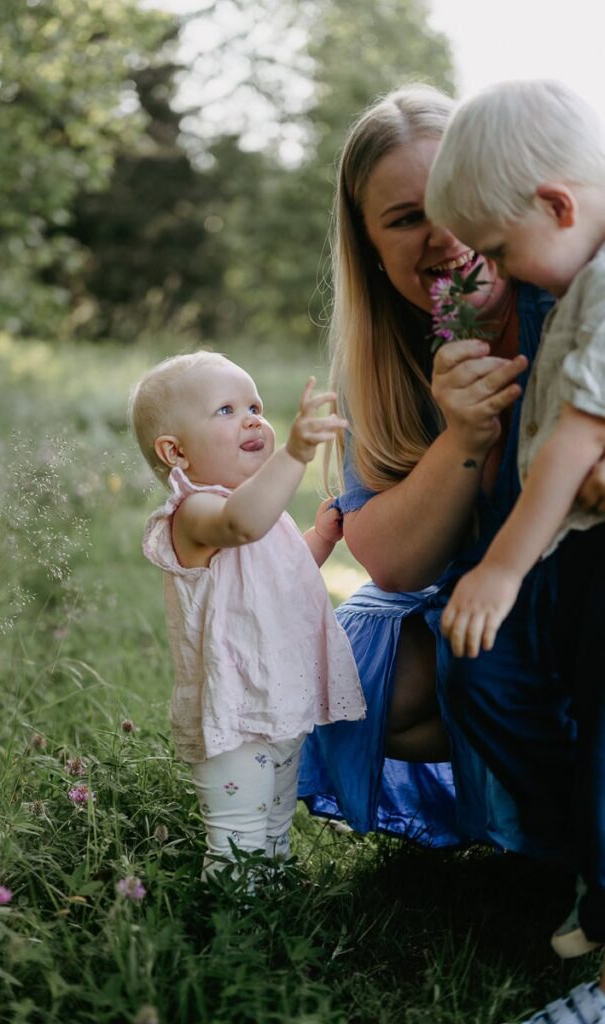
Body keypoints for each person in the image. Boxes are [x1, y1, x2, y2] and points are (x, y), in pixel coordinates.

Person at [298, 81, 605, 865]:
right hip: (487, 601)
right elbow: (393, 564)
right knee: (386, 678)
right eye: (405, 219)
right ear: (368, 244)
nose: (447, 241)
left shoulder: (571, 287)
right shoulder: (385, 356)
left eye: (453, 205)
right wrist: (463, 437)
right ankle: (563, 848)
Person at [426, 79, 605, 1023]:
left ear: (557, 205)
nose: (502, 271)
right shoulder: (573, 272)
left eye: (500, 249)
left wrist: (500, 565)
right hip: (573, 553)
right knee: (498, 670)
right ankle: (586, 860)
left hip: (576, 550)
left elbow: (579, 438)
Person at [130, 351, 365, 877]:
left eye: (255, 405)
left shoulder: (262, 512)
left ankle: (272, 911)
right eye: (226, 410)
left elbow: (281, 574)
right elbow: (242, 526)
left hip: (277, 701)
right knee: (239, 844)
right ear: (176, 453)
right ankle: (233, 933)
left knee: (275, 833)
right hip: (230, 716)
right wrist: (296, 453)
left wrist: (320, 540)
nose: (253, 418)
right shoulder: (196, 513)